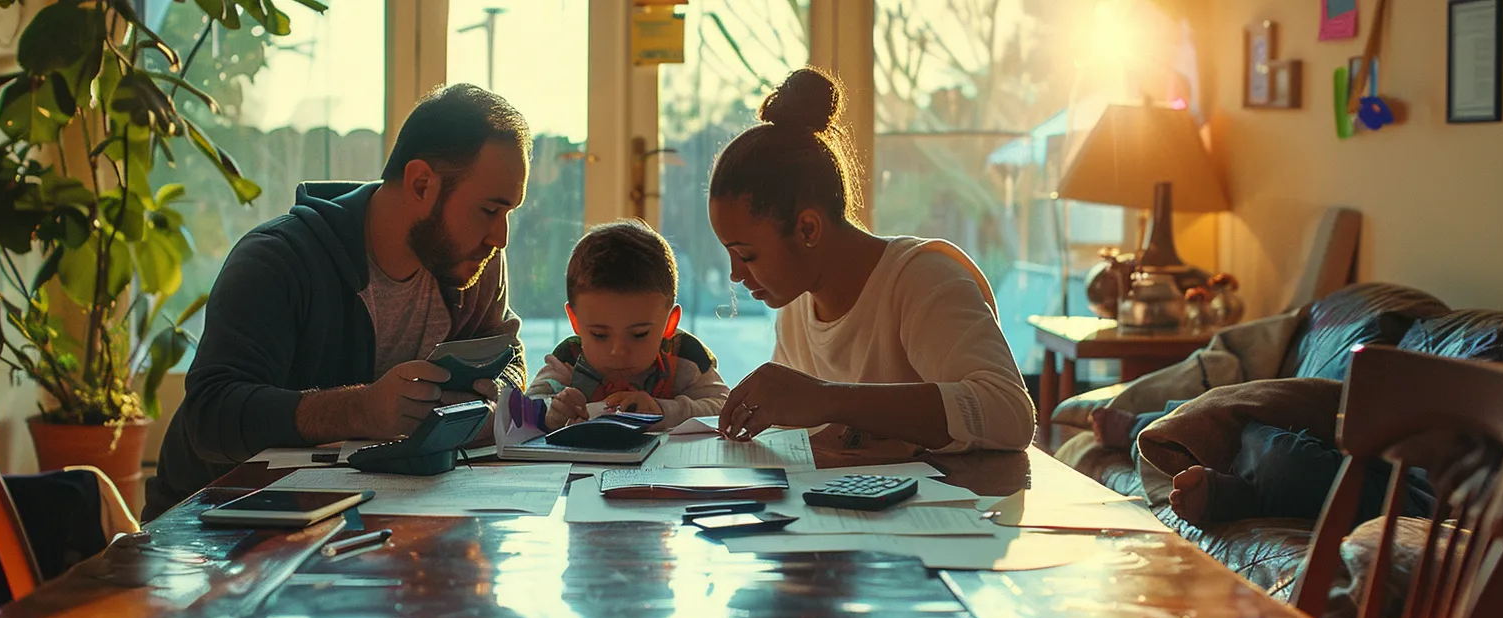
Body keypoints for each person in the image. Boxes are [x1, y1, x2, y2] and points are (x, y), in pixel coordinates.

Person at [144, 84, 530, 519]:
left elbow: (506, 352)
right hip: (213, 525)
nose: (500, 238)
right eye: (489, 210)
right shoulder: (278, 260)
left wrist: (499, 391)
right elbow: (209, 415)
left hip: (368, 515)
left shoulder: (472, 264)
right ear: (421, 183)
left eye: (509, 213)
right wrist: (362, 410)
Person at [708, 67, 1035, 452]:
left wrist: (827, 398)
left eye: (746, 255)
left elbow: (1010, 414)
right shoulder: (797, 308)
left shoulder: (922, 280)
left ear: (808, 229)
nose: (735, 274)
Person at [526, 220, 730, 432]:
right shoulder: (568, 359)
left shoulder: (685, 356)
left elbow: (725, 406)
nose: (618, 351)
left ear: (670, 323)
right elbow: (525, 409)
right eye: (599, 335)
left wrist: (662, 411)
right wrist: (553, 412)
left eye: (639, 334)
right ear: (575, 320)